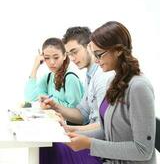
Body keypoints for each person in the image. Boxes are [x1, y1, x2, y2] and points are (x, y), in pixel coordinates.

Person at [65, 21, 156, 164]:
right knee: (52, 146)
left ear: (118, 50)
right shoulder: (113, 82)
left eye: (99, 54)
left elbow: (143, 150)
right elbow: (106, 131)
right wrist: (72, 133)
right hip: (109, 159)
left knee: (53, 151)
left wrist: (89, 143)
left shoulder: (138, 87)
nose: (96, 61)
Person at [40, 27, 114, 164]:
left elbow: (105, 127)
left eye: (75, 52)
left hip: (99, 150)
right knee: (46, 144)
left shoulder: (103, 78)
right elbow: (82, 114)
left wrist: (71, 130)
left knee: (48, 147)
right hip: (91, 142)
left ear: (90, 46)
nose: (72, 58)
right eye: (69, 54)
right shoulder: (90, 75)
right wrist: (56, 106)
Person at [24, 37, 84, 108]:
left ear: (64, 56)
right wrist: (35, 67)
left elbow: (76, 111)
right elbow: (30, 97)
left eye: (56, 57)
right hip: (54, 118)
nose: (52, 62)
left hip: (67, 119)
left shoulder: (70, 78)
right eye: (47, 58)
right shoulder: (49, 77)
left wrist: (51, 101)